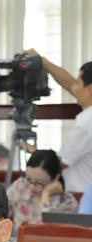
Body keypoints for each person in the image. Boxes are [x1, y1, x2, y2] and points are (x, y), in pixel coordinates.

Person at [26, 50, 92, 192]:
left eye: (78, 83)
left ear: (89, 89)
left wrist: (32, 151)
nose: (74, 87)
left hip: (82, 195)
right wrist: (43, 61)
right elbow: (69, 84)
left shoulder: (86, 121)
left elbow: (60, 163)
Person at [7, 149, 78, 235]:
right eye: (28, 179)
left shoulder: (67, 203)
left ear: (55, 178)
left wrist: (45, 195)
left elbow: (45, 233)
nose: (32, 187)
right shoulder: (20, 186)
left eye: (39, 182)